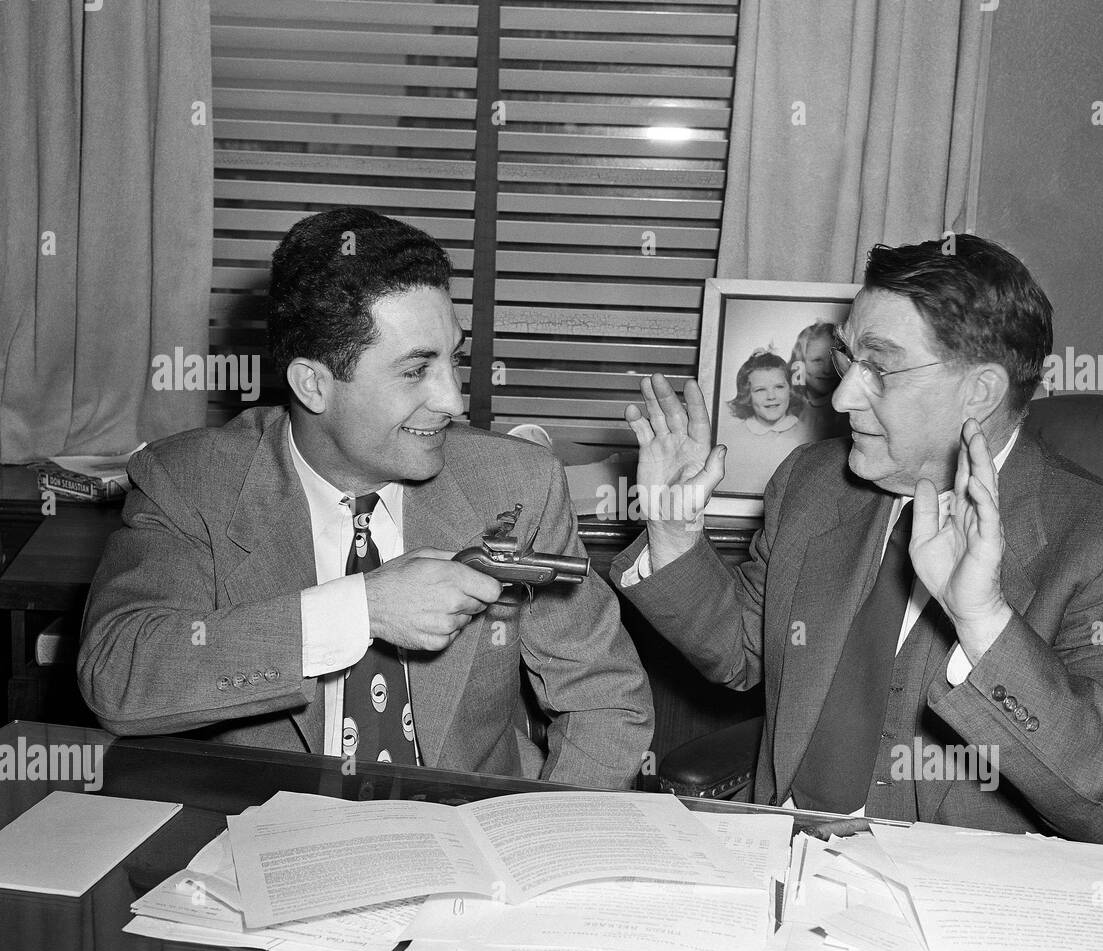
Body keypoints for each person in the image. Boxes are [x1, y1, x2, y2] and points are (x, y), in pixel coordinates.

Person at [612, 234, 1103, 846]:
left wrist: (984, 624)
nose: (840, 396)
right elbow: (742, 655)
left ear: (980, 391)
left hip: (957, 908)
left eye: (880, 367)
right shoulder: (815, 484)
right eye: (846, 359)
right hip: (777, 863)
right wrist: (675, 533)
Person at [79, 207, 653, 788]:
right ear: (314, 384)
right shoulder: (192, 481)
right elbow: (121, 674)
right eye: (414, 371)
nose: (453, 401)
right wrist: (361, 610)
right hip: (267, 837)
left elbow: (605, 695)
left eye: (451, 358)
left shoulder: (517, 484)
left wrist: (546, 838)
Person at [717, 350, 809, 495]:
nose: (771, 396)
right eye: (760, 390)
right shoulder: (731, 439)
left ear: (790, 389)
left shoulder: (808, 434)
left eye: (779, 387)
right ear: (747, 395)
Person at [787, 321, 848, 440]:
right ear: (800, 362)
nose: (827, 370)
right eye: (817, 361)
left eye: (833, 360)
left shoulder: (848, 410)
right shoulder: (783, 405)